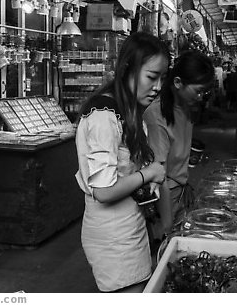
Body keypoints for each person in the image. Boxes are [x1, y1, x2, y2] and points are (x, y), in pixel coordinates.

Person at [74, 32, 169, 292]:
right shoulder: (104, 116)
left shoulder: (126, 110)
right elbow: (104, 192)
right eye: (151, 77)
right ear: (128, 68)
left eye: (162, 78)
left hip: (129, 226)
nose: (158, 86)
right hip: (113, 237)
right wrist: (149, 173)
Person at [144, 51, 215, 236]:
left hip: (181, 191)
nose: (200, 97)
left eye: (203, 92)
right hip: (166, 197)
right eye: (198, 91)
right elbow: (160, 177)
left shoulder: (185, 107)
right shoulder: (156, 115)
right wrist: (167, 224)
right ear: (177, 83)